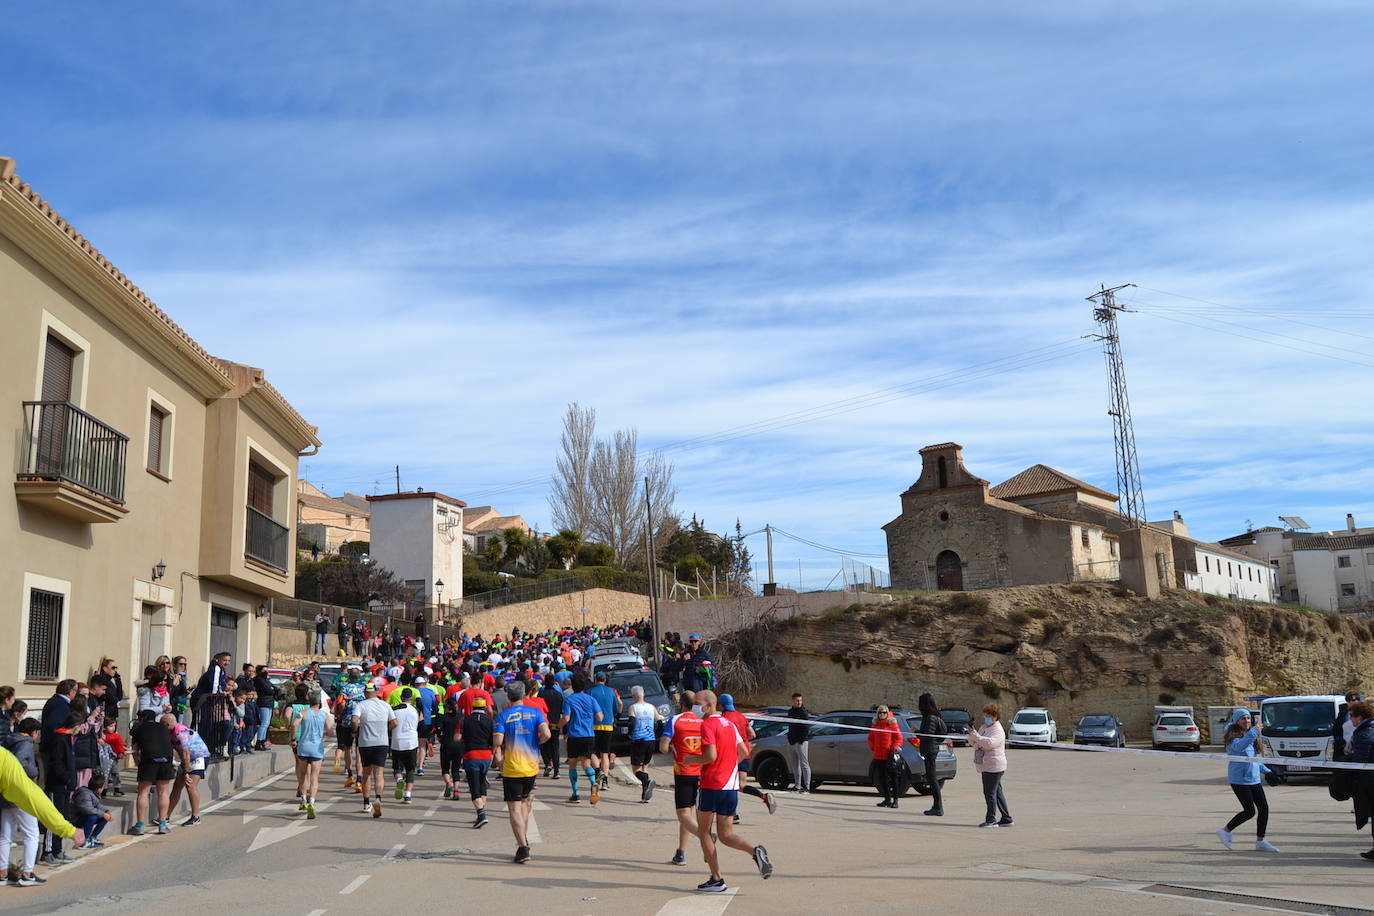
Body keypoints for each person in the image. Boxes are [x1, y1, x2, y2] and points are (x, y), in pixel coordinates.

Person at [684, 690, 772, 893]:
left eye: (698, 703)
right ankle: (754, 851)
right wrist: (730, 766)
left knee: (704, 832)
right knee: (726, 834)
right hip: (730, 787)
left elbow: (711, 755)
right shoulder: (729, 724)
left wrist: (693, 760)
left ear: (709, 705)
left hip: (711, 785)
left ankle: (717, 879)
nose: (695, 707)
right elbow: (744, 752)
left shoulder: (707, 724)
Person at [0, 717, 79, 885]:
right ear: (34, 733)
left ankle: (3, 873)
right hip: (19, 795)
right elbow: (36, 799)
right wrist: (69, 830)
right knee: (31, 833)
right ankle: (27, 874)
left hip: (8, 794)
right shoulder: (22, 746)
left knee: (5, 836)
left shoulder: (8, 744)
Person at [492, 682, 550, 864]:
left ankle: (523, 847)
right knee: (525, 803)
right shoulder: (535, 713)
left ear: (509, 697)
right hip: (531, 765)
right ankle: (523, 841)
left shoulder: (503, 716)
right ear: (524, 695)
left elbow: (498, 741)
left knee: (514, 807)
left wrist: (499, 756)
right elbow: (547, 734)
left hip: (512, 767)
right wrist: (534, 745)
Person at [1217, 708, 1278, 852]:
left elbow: (1253, 760)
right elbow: (1239, 747)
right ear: (1236, 721)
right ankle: (1225, 830)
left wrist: (1268, 772)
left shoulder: (1249, 736)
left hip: (1254, 779)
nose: (1247, 721)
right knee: (1249, 811)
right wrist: (1255, 731)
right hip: (1239, 780)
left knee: (1264, 808)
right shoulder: (1232, 737)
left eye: (1248, 718)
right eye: (1243, 718)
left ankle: (1260, 841)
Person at [660, 691, 702, 867]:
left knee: (683, 814)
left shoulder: (675, 720)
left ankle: (704, 835)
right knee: (689, 814)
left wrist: (673, 749)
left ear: (681, 704)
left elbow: (663, 747)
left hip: (683, 772)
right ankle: (681, 852)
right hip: (701, 772)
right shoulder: (702, 722)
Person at [718, 694, 776, 818]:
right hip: (744, 753)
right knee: (741, 785)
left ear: (721, 705)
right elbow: (752, 734)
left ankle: (732, 814)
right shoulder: (741, 716)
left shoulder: (724, 718)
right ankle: (763, 796)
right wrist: (742, 741)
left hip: (730, 755)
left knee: (728, 785)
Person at [129, 708, 176, 835]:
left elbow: (134, 750)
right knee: (163, 791)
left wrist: (138, 762)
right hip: (166, 760)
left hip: (149, 760)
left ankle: (140, 826)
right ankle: (162, 824)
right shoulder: (163, 727)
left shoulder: (138, 729)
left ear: (141, 719)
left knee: (143, 792)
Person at [966, 703, 1013, 828]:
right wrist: (972, 734)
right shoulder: (984, 727)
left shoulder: (998, 730)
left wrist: (976, 737)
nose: (986, 718)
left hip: (994, 766)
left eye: (989, 716)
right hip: (986, 764)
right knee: (997, 792)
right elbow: (973, 741)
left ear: (996, 716)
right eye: (985, 715)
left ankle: (991, 819)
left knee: (989, 793)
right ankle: (1006, 818)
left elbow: (989, 744)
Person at [354, 683, 395, 818]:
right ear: (376, 692)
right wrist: (386, 730)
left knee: (366, 773)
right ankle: (378, 798)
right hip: (381, 742)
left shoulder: (361, 705)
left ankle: (366, 803)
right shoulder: (385, 705)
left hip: (365, 743)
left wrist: (356, 731)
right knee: (379, 773)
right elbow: (395, 722)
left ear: (365, 693)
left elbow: (354, 720)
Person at [559, 674, 602, 804]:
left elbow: (566, 718)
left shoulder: (569, 699)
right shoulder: (591, 699)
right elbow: (600, 717)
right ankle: (594, 783)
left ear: (573, 686)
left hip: (574, 735)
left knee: (573, 764)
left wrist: (557, 726)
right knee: (586, 763)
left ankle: (576, 793)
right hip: (589, 735)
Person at [293, 691, 331, 819]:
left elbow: (294, 724)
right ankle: (312, 802)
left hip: (303, 747)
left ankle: (303, 800)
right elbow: (330, 730)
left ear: (309, 701)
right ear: (319, 702)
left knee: (303, 775)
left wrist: (293, 738)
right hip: (317, 749)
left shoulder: (303, 713)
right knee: (315, 777)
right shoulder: (324, 715)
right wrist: (325, 733)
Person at [166, 715, 209, 826]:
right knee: (177, 786)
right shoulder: (171, 733)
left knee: (190, 785)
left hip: (198, 757)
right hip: (187, 759)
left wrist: (185, 773)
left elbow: (185, 753)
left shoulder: (180, 733)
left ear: (167, 725)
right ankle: (165, 816)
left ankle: (195, 816)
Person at [587, 672, 622, 796]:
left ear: (595, 679)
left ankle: (597, 771)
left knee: (592, 752)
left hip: (593, 726)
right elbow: (616, 709)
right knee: (605, 754)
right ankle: (605, 781)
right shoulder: (611, 691)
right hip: (608, 725)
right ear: (605, 680)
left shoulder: (590, 692)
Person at [462, 698, 495, 829]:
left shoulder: (466, 720)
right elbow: (493, 740)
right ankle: (481, 811)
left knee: (474, 787)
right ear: (485, 708)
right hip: (486, 756)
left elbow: (459, 737)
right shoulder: (490, 721)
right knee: (482, 784)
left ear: (472, 706)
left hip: (471, 756)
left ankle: (481, 814)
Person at [626, 684, 662, 802]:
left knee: (636, 770)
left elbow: (631, 722)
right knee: (644, 767)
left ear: (634, 696)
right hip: (650, 740)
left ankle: (647, 781)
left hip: (638, 739)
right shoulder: (651, 707)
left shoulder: (633, 707)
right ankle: (644, 796)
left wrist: (630, 733)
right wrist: (656, 735)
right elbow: (660, 722)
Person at [917, 693, 948, 816]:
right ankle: (936, 805)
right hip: (930, 750)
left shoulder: (930, 717)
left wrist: (916, 732)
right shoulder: (931, 716)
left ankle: (938, 806)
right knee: (931, 778)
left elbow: (928, 735)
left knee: (932, 778)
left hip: (930, 750)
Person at [869, 705, 905, 809]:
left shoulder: (892, 723)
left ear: (887, 713)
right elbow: (870, 738)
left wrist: (894, 748)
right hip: (878, 756)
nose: (882, 714)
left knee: (893, 778)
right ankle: (887, 799)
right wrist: (873, 747)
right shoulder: (875, 724)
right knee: (882, 779)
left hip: (889, 756)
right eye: (880, 713)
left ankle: (896, 800)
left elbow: (899, 738)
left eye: (884, 712)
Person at [390, 694, 421, 804]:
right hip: (411, 742)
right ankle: (408, 795)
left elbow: (391, 723)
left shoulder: (394, 709)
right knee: (410, 769)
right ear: (411, 699)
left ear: (401, 698)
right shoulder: (415, 710)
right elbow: (421, 719)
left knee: (397, 768)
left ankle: (399, 780)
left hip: (397, 741)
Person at [71, 774, 112, 848]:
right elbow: (87, 809)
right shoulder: (84, 794)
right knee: (93, 817)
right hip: (75, 819)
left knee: (105, 816)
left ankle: (93, 838)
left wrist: (106, 811)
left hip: (83, 817)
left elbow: (97, 805)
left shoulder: (92, 793)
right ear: (99, 788)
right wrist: (103, 814)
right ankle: (84, 841)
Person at [785, 693, 812, 793]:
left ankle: (807, 787)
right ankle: (797, 785)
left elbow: (806, 728)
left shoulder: (803, 712)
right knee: (795, 765)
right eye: (797, 700)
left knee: (804, 764)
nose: (799, 702)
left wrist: (801, 740)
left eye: (800, 700)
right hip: (792, 741)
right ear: (793, 701)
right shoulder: (791, 711)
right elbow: (791, 726)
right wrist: (790, 739)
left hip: (801, 742)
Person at [539, 673, 564, 780]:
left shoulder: (541, 694)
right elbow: (562, 710)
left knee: (543, 746)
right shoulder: (559, 695)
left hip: (544, 724)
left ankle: (547, 763)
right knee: (555, 747)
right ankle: (557, 770)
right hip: (555, 724)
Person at [89, 657, 124, 725]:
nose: (115, 670)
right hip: (105, 715)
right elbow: (114, 699)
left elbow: (119, 697)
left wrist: (118, 680)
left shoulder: (110, 682)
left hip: (112, 715)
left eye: (116, 668)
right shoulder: (102, 680)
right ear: (105, 668)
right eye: (113, 668)